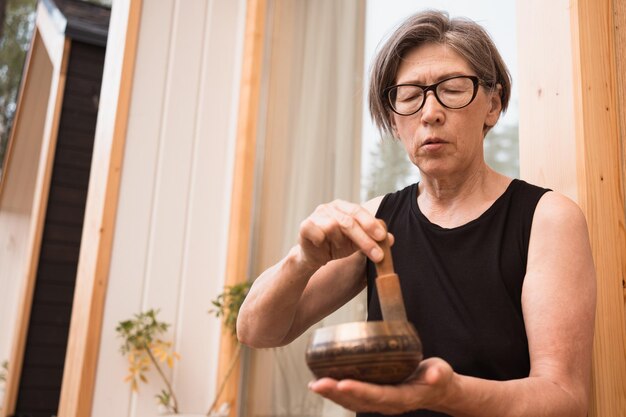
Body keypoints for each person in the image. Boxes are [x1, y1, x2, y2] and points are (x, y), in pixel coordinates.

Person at [237, 10, 596, 417]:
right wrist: (301, 260)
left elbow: (565, 398)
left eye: (453, 89)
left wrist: (448, 394)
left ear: (492, 105)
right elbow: (256, 331)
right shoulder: (376, 223)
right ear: (393, 120)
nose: (430, 112)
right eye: (409, 96)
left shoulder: (546, 219)